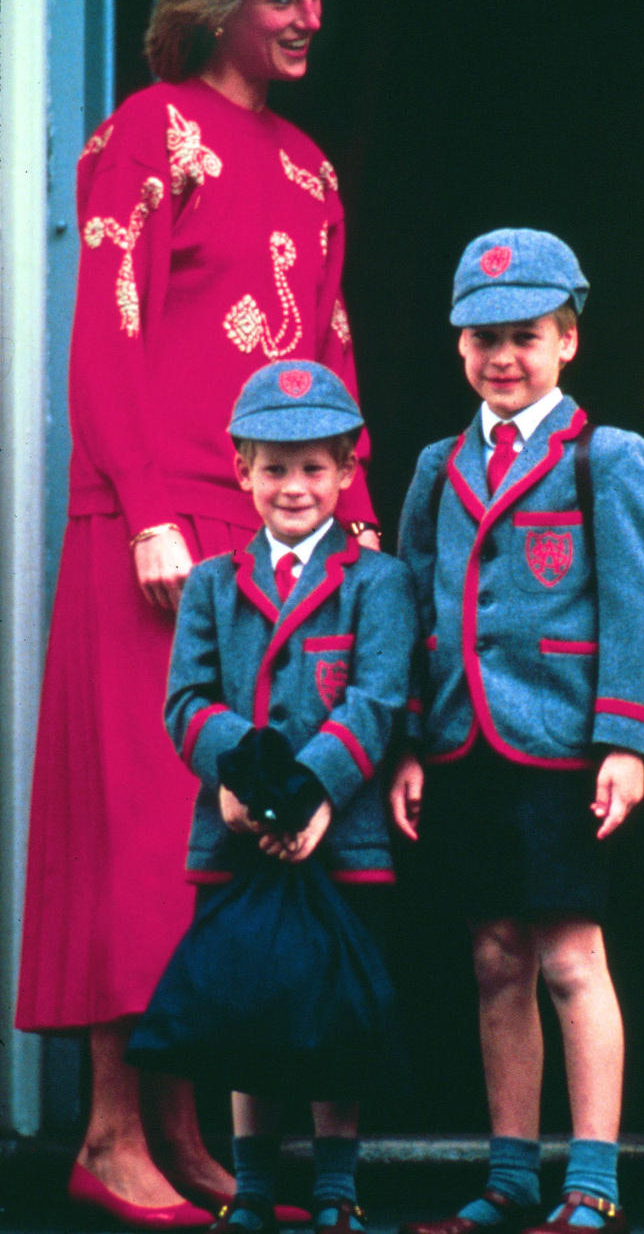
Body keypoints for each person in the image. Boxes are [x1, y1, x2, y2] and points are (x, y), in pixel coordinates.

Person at [16, 0, 380, 1228]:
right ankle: (111, 1129)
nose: (309, 17)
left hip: (264, 536)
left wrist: (354, 521)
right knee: (131, 819)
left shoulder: (310, 167)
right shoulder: (149, 135)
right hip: (153, 524)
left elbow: (330, 354)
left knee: (210, 842)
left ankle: (178, 1123)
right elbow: (103, 340)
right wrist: (149, 510)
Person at [391, 229, 644, 1234]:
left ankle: (590, 1178)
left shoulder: (608, 456)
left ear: (568, 341)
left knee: (568, 958)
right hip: (466, 746)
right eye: (481, 339)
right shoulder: (437, 466)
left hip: (563, 751)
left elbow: (642, 606)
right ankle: (510, 1175)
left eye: (523, 336)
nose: (501, 358)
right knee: (496, 960)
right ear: (459, 347)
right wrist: (413, 741)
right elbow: (417, 608)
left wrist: (625, 741)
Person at [160, 359, 416, 1234]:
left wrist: (311, 799)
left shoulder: (379, 583)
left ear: (348, 471)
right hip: (234, 828)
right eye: (274, 466)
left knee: (330, 1013)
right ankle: (256, 1187)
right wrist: (242, 789)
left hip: (339, 832)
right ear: (242, 470)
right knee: (248, 1011)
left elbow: (377, 700)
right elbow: (187, 702)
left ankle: (339, 1188)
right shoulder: (211, 584)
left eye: (314, 468)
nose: (294, 487)